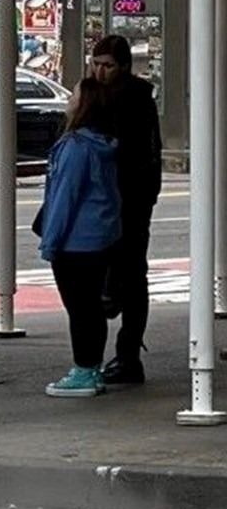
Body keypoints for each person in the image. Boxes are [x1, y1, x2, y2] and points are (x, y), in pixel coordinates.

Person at [36, 78, 121, 397]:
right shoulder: (104, 144)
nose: (69, 99)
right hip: (99, 238)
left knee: (80, 308)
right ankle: (92, 367)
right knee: (91, 308)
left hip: (75, 242)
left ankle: (84, 370)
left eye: (74, 94)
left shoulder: (75, 147)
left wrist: (50, 242)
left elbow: (63, 198)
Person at [91, 35, 162, 385]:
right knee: (125, 274)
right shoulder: (104, 95)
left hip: (128, 198)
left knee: (130, 274)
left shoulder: (131, 99)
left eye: (108, 65)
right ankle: (123, 350)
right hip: (120, 197)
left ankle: (127, 352)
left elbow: (139, 153)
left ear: (122, 67)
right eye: (97, 64)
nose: (101, 72)